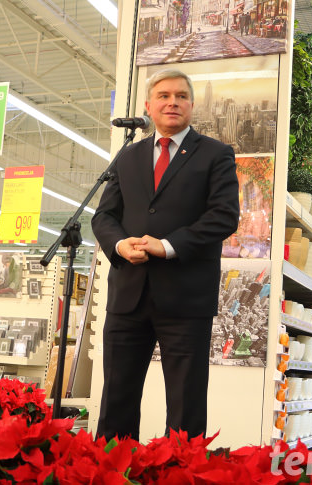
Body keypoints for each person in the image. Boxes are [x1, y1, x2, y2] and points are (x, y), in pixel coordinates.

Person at [92, 69, 240, 441]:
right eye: (163, 95)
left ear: (192, 105)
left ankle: (180, 473)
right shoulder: (127, 157)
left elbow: (224, 216)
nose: (171, 102)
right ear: (148, 105)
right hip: (128, 295)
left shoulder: (216, 154)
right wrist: (120, 245)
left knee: (185, 406)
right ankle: (111, 472)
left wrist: (167, 245)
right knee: (116, 402)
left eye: (180, 96)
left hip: (185, 297)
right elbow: (104, 216)